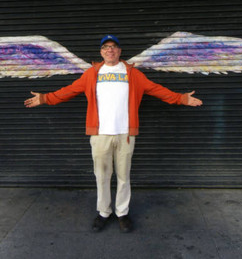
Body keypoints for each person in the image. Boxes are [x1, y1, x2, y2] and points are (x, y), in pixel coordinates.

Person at [24, 34, 202, 233]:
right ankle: (103, 212)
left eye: (114, 47)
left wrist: (181, 98)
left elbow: (155, 89)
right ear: (101, 52)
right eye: (106, 47)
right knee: (102, 176)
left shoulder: (132, 73)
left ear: (119, 51)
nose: (110, 50)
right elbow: (70, 90)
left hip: (125, 134)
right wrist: (46, 98)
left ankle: (122, 212)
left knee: (124, 176)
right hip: (100, 135)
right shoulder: (92, 74)